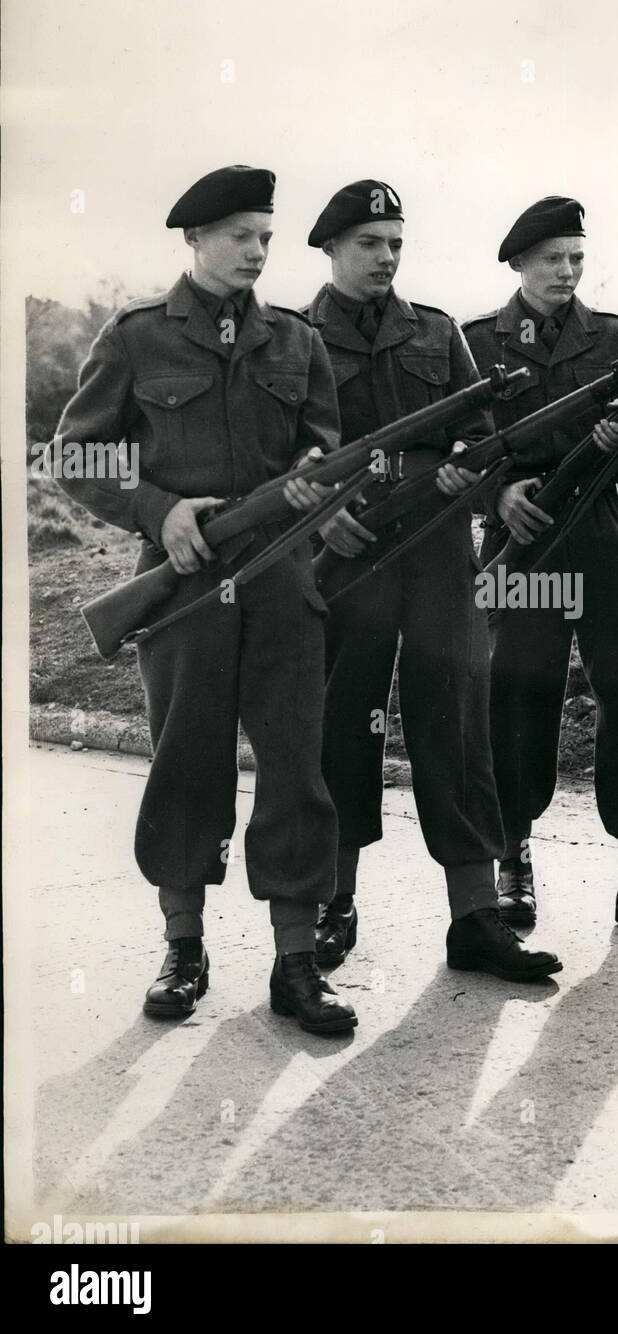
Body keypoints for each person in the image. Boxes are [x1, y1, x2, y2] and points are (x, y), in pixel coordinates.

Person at [53, 165, 357, 1033]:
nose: (257, 252)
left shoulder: (297, 342)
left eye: (265, 237)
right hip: (182, 583)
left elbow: (324, 446)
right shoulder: (139, 336)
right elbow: (74, 456)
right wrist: (159, 507)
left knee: (296, 767)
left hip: (282, 582)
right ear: (195, 241)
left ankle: (297, 962)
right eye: (239, 237)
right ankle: (184, 949)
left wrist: (313, 481)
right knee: (187, 762)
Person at [305, 179, 562, 983]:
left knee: (456, 720)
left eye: (394, 245)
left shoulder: (437, 333)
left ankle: (475, 917)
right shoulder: (295, 338)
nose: (385, 258)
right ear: (330, 249)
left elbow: (482, 436)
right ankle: (329, 903)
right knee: (343, 719)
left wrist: (469, 475)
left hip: (438, 554)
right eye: (368, 245)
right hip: (347, 558)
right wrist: (319, 518)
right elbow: (287, 459)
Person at [462, 196, 618, 940]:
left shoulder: (614, 338)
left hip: (600, 538)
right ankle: (512, 870)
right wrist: (498, 494)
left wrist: (617, 448)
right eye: (551, 260)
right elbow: (456, 452)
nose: (566, 272)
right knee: (513, 701)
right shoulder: (477, 343)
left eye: (575, 258)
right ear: (517, 264)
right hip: (523, 541)